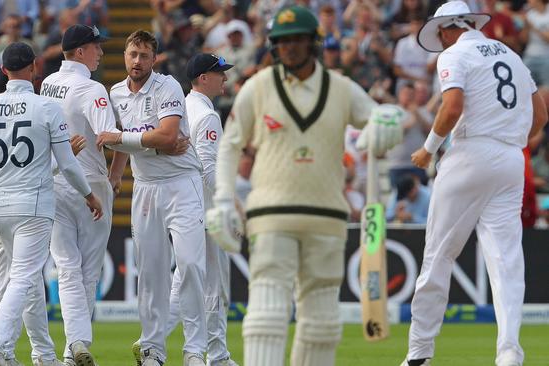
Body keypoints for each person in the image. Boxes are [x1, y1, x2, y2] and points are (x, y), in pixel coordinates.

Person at [205, 6, 402, 366]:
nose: (290, 47)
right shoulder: (259, 86)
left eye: (297, 39)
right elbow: (231, 144)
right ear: (273, 46)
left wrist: (391, 118)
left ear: (314, 43)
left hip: (327, 215)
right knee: (266, 312)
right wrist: (222, 199)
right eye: (283, 41)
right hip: (270, 214)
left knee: (322, 321)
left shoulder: (341, 88)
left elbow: (380, 121)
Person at [403, 2, 548, 366]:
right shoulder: (512, 55)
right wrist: (511, 137)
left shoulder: (456, 52)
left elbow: (451, 107)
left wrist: (427, 150)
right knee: (506, 262)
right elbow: (540, 115)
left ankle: (419, 354)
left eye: (440, 33)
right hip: (511, 160)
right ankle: (509, 352)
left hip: (471, 152)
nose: (440, 40)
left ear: (451, 27)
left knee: (437, 255)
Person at [0, 42, 103, 366]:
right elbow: (68, 164)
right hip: (34, 206)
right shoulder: (46, 108)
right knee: (24, 277)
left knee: (18, 280)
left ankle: (39, 354)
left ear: (3, 71)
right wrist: (88, 194)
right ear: (34, 68)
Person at [97, 30, 208, 366]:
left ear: (154, 58)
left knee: (190, 264)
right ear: (125, 55)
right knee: (150, 272)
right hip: (145, 186)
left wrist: (124, 138)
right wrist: (116, 173)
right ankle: (152, 349)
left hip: (181, 182)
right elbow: (120, 141)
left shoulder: (168, 86)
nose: (137, 61)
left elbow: (169, 134)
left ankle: (194, 351)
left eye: (144, 56)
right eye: (132, 54)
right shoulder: (115, 93)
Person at [0, 69, 72, 366]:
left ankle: (40, 352)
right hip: (17, 209)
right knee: (12, 283)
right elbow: (33, 168)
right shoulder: (20, 118)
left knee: (23, 285)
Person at [40, 23, 122, 366]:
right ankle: (78, 343)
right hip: (90, 184)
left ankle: (75, 348)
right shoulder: (91, 88)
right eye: (95, 46)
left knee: (67, 268)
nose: (101, 52)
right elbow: (110, 135)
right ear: (79, 52)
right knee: (87, 272)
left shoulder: (46, 84)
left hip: (54, 182)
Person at [164, 53, 239, 366]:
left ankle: (152, 340)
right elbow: (208, 168)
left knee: (186, 280)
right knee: (212, 286)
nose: (224, 78)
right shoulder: (206, 116)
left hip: (185, 206)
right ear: (203, 78)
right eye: (219, 73)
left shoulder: (182, 107)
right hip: (207, 213)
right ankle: (217, 356)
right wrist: (229, 203)